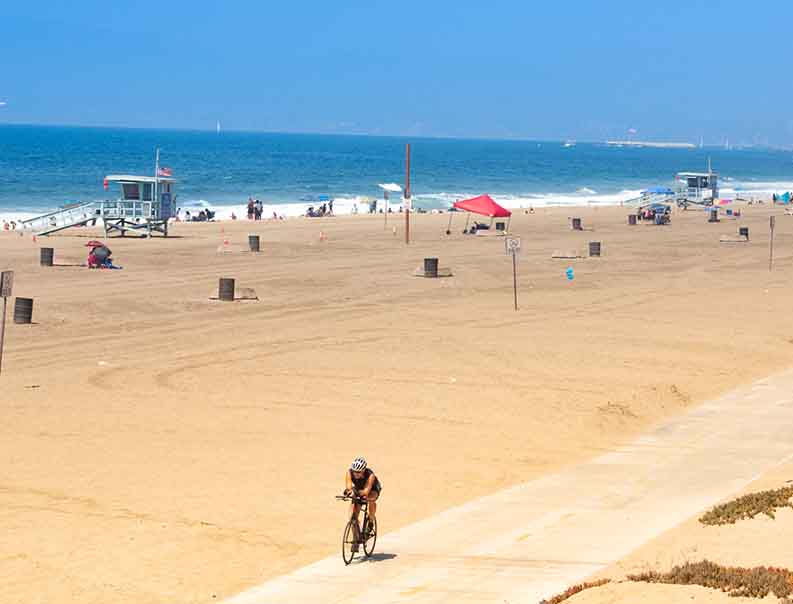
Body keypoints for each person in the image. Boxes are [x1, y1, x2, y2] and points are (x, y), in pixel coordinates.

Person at [344, 456, 381, 551]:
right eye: (354, 471)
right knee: (352, 516)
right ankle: (356, 538)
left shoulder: (370, 475)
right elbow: (349, 486)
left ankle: (371, 520)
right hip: (358, 488)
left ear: (363, 470)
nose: (356, 474)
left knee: (370, 499)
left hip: (372, 489)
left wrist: (358, 493)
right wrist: (349, 492)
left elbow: (366, 491)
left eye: (358, 472)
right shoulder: (349, 472)